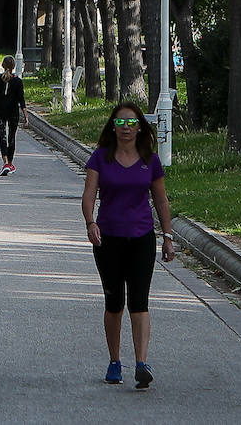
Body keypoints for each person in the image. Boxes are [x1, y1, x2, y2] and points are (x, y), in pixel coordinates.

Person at [81, 103, 175, 388]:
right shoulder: (100, 158)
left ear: (140, 128)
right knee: (114, 303)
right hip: (108, 237)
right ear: (113, 126)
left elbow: (160, 200)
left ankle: (141, 363)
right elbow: (89, 195)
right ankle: (114, 361)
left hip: (142, 237)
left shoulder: (150, 160)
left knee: (139, 300)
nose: (125, 127)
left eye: (131, 123)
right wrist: (90, 222)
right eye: (120, 122)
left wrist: (168, 236)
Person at [0, 55, 26, 176]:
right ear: (14, 67)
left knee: (2, 136)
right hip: (13, 112)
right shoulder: (18, 81)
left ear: (3, 66)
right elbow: (21, 99)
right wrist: (25, 114)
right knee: (12, 136)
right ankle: (10, 163)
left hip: (0, 111)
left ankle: (5, 162)